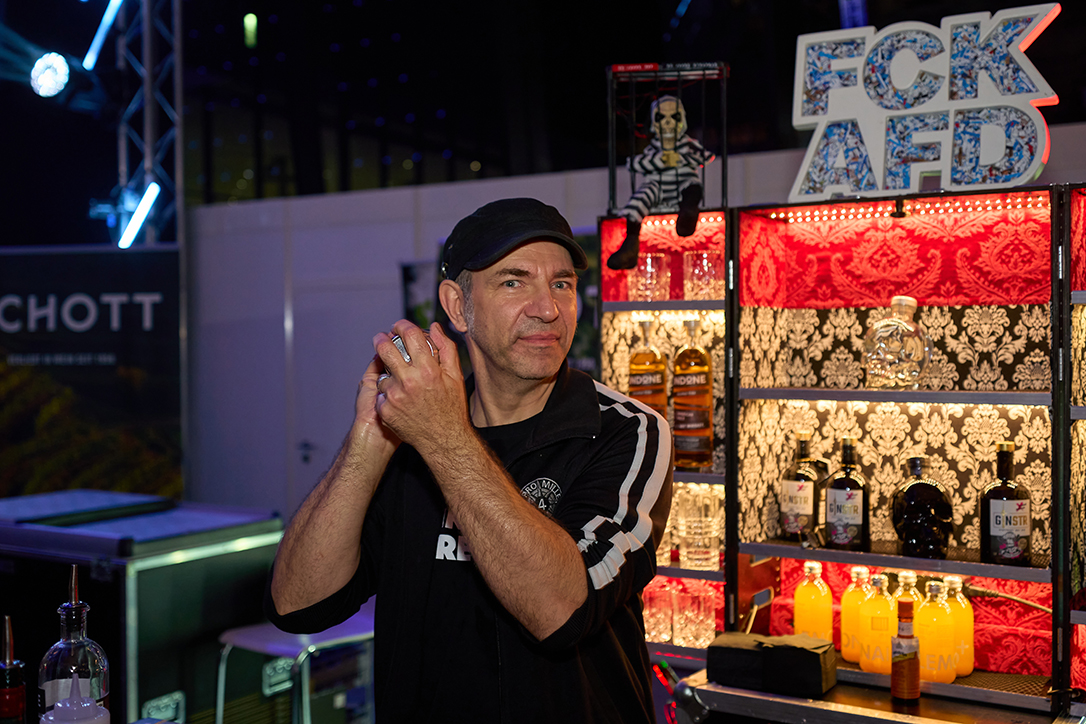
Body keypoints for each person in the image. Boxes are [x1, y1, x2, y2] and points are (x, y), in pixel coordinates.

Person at [265, 197, 673, 723]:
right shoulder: (411, 435)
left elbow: (561, 610)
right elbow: (298, 604)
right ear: (458, 307)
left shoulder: (625, 430)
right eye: (513, 282)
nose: (547, 307)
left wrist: (443, 436)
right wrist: (369, 439)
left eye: (562, 283)